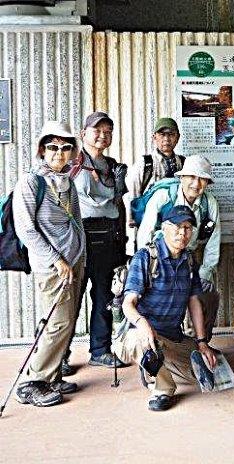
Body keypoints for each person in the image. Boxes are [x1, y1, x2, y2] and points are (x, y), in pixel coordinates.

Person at [113, 206, 218, 411]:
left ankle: (152, 367)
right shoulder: (146, 257)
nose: (183, 233)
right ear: (164, 228)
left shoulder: (189, 260)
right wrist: (142, 324)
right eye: (177, 227)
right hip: (141, 334)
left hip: (172, 338)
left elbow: (194, 302)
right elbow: (128, 303)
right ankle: (162, 389)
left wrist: (202, 342)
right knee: (140, 340)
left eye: (188, 228)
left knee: (208, 369)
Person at [13, 121, 86, 407]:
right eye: (53, 147)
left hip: (74, 262)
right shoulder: (31, 182)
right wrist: (57, 260)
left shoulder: (67, 181)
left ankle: (52, 376)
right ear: (42, 149)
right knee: (57, 323)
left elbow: (76, 222)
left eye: (66, 147)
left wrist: (79, 258)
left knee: (66, 322)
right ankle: (33, 382)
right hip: (53, 266)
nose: (59, 152)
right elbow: (26, 229)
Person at [65, 111, 129, 370]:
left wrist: (122, 241)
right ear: (84, 134)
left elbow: (119, 205)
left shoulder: (112, 166)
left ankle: (100, 350)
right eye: (97, 130)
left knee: (104, 297)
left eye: (108, 131)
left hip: (109, 238)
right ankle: (58, 356)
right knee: (70, 300)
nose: (103, 135)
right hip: (80, 240)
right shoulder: (71, 163)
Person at [136, 155, 220, 339]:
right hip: (159, 261)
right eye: (192, 177)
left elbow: (214, 240)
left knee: (208, 296)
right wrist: (144, 265)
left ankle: (200, 341)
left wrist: (205, 273)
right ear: (181, 177)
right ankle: (155, 341)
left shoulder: (209, 202)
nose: (196, 184)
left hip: (187, 261)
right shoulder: (164, 196)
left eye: (202, 179)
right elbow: (145, 232)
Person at [125, 117, 185, 229]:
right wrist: (132, 217)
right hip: (150, 223)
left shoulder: (183, 162)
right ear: (154, 137)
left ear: (178, 137)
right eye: (162, 134)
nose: (166, 139)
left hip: (178, 223)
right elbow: (132, 191)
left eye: (171, 134)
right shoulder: (145, 163)